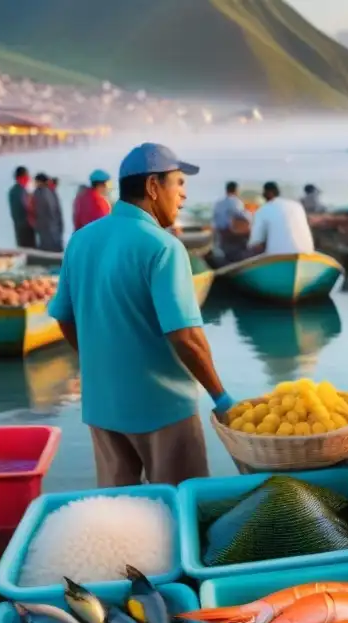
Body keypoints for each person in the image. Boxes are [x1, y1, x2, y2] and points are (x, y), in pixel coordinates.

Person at [48, 142, 236, 487]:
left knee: (123, 519)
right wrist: (221, 396)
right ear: (153, 186)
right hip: (163, 409)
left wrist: (100, 361)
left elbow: (64, 317)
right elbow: (186, 337)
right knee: (182, 511)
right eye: (178, 184)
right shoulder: (162, 247)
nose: (183, 196)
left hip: (103, 407)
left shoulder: (81, 240)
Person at [248, 181, 315, 256]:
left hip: (279, 257)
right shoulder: (296, 205)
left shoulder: (263, 209)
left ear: (267, 193)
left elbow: (256, 243)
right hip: (307, 254)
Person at [212, 181, 251, 262]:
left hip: (221, 236)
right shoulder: (235, 201)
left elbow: (215, 221)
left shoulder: (218, 203)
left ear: (226, 190)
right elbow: (243, 216)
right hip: (232, 235)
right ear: (236, 191)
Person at [32, 172, 64, 252]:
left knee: (49, 251)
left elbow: (50, 211)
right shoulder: (49, 192)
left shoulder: (42, 193)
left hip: (48, 228)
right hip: (52, 228)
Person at [8, 166, 36, 248]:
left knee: (23, 249)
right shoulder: (23, 191)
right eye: (27, 176)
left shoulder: (12, 191)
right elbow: (28, 208)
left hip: (18, 227)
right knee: (30, 250)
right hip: (27, 228)